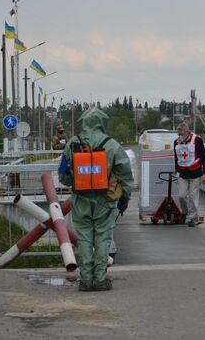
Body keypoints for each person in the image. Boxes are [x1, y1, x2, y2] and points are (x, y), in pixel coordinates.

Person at [58, 107, 133, 291]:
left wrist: (75, 182)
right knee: (102, 238)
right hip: (104, 200)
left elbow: (63, 174)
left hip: (80, 199)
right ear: (101, 122)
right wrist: (125, 196)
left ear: (83, 122)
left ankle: (85, 280)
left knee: (84, 239)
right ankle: (100, 279)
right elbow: (125, 173)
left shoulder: (72, 144)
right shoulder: (112, 144)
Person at [173, 122, 205, 227]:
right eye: (178, 133)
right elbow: (177, 157)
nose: (179, 135)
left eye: (181, 133)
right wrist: (176, 170)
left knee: (193, 197)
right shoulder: (176, 142)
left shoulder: (197, 140)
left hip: (196, 173)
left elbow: (204, 157)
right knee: (181, 196)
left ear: (187, 132)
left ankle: (192, 218)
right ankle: (184, 212)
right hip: (182, 173)